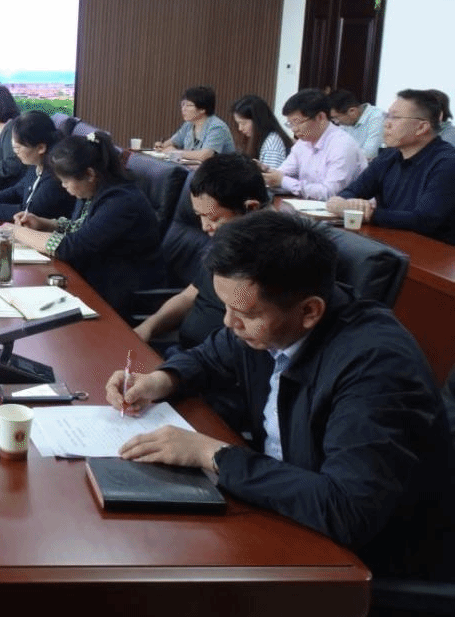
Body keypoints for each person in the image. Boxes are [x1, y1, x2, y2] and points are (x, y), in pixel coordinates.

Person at [106, 212, 450, 579]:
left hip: (362, 560)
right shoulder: (267, 325)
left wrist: (212, 453)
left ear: (309, 311)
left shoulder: (377, 367)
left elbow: (348, 511)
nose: (228, 322)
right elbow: (209, 356)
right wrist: (161, 380)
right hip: (279, 505)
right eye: (225, 306)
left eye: (244, 313)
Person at [12, 131, 163, 316]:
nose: (64, 187)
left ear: (90, 174)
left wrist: (17, 233)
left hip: (122, 295)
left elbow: (73, 246)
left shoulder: (121, 202)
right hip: (97, 280)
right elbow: (80, 226)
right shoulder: (97, 189)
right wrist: (44, 223)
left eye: (66, 181)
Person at [133, 153, 268, 352]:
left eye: (214, 218)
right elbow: (189, 296)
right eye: (199, 216)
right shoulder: (224, 243)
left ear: (251, 208)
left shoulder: (268, 262)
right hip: (183, 350)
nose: (205, 227)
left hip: (210, 361)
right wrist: (148, 327)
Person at [326, 89, 455, 244]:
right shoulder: (388, 156)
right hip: (390, 241)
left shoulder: (447, 163)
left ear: (422, 127)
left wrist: (367, 213)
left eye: (395, 117)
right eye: (387, 116)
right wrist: (343, 203)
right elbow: (352, 191)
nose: (386, 124)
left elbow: (425, 220)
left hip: (434, 249)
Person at [0, 110, 73, 223]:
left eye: (18, 148)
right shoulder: (37, 164)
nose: (15, 152)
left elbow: (29, 213)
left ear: (41, 148)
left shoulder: (55, 176)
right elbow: (18, 190)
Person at [262, 89, 365, 199]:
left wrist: (283, 181)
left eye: (297, 123)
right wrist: (267, 173)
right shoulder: (302, 144)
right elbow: (283, 175)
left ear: (320, 117)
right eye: (290, 124)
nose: (294, 129)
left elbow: (330, 193)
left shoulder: (342, 145)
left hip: (344, 208)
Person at [154, 85, 235, 162]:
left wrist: (175, 152)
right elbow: (169, 144)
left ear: (202, 109)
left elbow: (204, 156)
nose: (183, 109)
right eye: (183, 104)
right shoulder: (188, 124)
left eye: (188, 105)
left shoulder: (217, 127)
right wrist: (161, 146)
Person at [231, 95, 291, 169]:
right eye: (238, 124)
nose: (240, 128)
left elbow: (270, 175)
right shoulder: (259, 139)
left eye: (243, 123)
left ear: (258, 121)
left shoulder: (272, 143)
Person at [326, 89, 384, 160]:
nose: (336, 122)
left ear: (352, 111)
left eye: (336, 118)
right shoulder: (346, 122)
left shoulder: (377, 117)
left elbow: (369, 153)